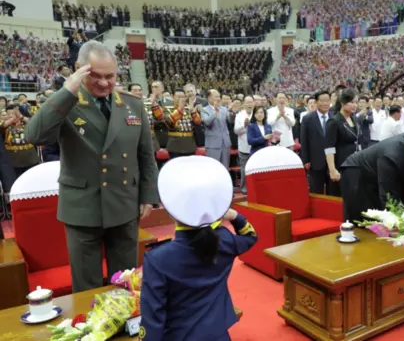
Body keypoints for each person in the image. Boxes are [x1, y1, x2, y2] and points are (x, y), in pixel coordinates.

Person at [24, 41, 158, 292]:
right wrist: (68, 89)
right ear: (79, 69)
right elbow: (34, 135)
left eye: (110, 76)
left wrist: (148, 196)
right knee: (87, 286)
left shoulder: (132, 104)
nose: (105, 83)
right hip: (83, 208)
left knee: (126, 281)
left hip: (124, 204)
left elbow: (145, 155)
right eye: (95, 76)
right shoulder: (66, 102)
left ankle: (126, 327)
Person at [139, 156, 258, 341]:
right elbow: (250, 237)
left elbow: (153, 321)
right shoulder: (224, 241)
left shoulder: (158, 259)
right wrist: (234, 216)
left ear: (171, 212)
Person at [325, 88, 360, 197]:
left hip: (354, 163)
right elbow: (329, 148)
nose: (355, 105)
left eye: (356, 102)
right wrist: (332, 169)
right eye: (352, 102)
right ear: (343, 103)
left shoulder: (353, 118)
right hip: (341, 164)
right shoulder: (334, 121)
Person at [300, 91, 331, 194]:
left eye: (327, 101)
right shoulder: (308, 119)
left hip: (333, 162)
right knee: (316, 191)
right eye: (322, 101)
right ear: (316, 102)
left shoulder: (335, 117)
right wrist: (306, 160)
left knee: (333, 192)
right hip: (315, 161)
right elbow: (304, 140)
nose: (325, 103)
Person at [201, 89, 231, 168]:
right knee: (214, 168)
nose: (218, 99)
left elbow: (230, 120)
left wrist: (233, 112)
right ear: (209, 98)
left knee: (225, 168)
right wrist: (215, 113)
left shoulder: (224, 109)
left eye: (219, 96)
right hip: (213, 145)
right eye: (216, 97)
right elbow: (207, 122)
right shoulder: (204, 110)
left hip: (225, 143)